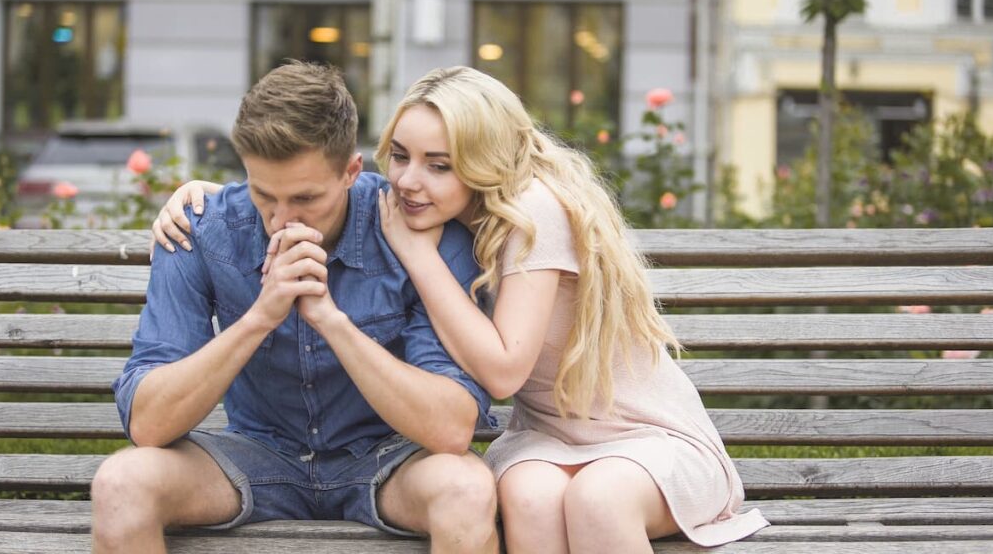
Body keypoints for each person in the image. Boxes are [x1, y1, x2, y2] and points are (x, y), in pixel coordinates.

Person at [155, 66, 769, 552]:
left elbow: (502, 374)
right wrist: (213, 194)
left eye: (439, 164)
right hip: (551, 438)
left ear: (483, 160)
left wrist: (414, 255)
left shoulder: (534, 213)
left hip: (644, 436)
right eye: (400, 156)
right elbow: (301, 191)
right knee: (525, 499)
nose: (409, 181)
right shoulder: (456, 220)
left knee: (599, 504)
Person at [92, 61, 499, 554]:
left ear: (352, 171)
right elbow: (148, 424)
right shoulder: (202, 229)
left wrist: (331, 320)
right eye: (265, 194)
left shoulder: (416, 229)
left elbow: (453, 427)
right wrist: (260, 316)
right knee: (121, 484)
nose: (282, 219)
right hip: (256, 454)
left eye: (306, 198)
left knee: (467, 489)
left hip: (387, 458)